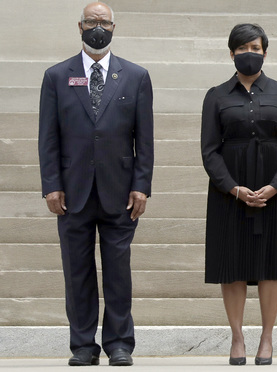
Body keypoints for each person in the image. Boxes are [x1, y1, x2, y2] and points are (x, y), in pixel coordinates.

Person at [38, 1, 153, 367]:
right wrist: (51, 184)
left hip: (120, 192)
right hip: (72, 192)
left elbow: (144, 139)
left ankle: (119, 343)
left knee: (118, 272)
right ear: (80, 25)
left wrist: (142, 185)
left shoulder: (135, 76)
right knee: (77, 271)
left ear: (114, 28)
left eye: (103, 21)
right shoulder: (57, 76)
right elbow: (48, 137)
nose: (97, 26)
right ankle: (83, 345)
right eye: (91, 21)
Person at [200, 23, 277, 366]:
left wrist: (274, 187)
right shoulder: (216, 95)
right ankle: (237, 337)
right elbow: (209, 150)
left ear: (265, 51)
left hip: (276, 190)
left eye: (256, 48)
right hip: (228, 191)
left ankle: (267, 338)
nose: (250, 54)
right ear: (231, 53)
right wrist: (234, 188)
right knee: (232, 265)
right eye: (243, 49)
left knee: (271, 265)